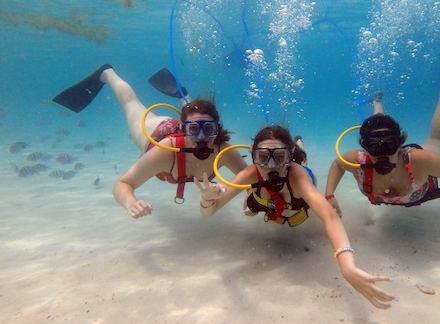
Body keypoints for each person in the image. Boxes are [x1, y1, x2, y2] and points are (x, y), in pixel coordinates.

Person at [194, 125, 395, 309]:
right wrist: (207, 200)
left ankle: (299, 148)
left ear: (289, 158)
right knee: (251, 204)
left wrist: (347, 266)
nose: (271, 166)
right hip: (267, 200)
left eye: (280, 157)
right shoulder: (250, 173)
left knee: (302, 171)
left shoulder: (297, 176)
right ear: (254, 157)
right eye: (263, 157)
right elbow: (208, 212)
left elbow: (330, 217)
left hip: (298, 189)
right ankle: (259, 195)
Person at [52, 65, 247, 218]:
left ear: (217, 130)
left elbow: (251, 181)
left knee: (196, 117)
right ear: (183, 128)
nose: (202, 137)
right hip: (157, 130)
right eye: (193, 130)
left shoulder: (224, 151)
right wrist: (131, 202)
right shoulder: (164, 152)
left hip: (183, 126)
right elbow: (123, 184)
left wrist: (251, 201)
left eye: (209, 130)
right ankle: (108, 73)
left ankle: (186, 101)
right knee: (131, 104)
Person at [325, 79, 440, 234]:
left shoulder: (421, 160)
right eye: (373, 145)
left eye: (390, 143)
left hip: (413, 162)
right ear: (364, 147)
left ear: (400, 143)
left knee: (437, 140)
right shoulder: (355, 160)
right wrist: (329, 195)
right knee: (378, 126)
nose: (383, 152)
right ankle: (377, 102)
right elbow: (337, 165)